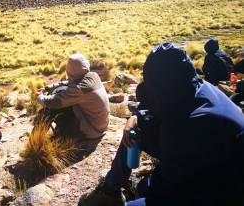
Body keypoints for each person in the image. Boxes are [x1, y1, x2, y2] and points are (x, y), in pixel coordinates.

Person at [79, 42, 244, 206]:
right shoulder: (196, 87)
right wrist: (137, 118)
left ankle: (117, 190)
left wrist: (144, 186)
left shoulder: (187, 125)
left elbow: (165, 190)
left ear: (163, 87)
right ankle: (110, 190)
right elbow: (164, 112)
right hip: (211, 163)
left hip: (219, 192)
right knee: (136, 132)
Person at [37, 53, 110, 154]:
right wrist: (49, 87)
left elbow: (55, 101)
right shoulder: (92, 76)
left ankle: (38, 140)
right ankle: (42, 136)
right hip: (100, 125)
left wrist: (40, 97)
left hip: (92, 130)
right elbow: (69, 82)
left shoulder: (78, 89)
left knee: (52, 108)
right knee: (60, 92)